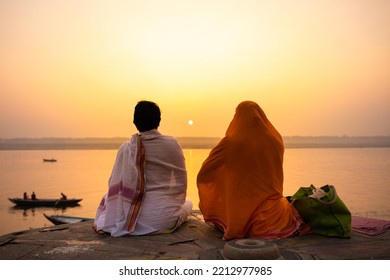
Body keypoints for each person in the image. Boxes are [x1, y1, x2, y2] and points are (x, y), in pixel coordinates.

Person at [197, 100, 303, 240]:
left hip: (241, 216)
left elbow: (206, 172)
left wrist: (224, 182)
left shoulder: (230, 143)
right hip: (274, 216)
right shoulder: (276, 141)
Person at [94, 100, 192, 237]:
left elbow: (113, 183)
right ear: (159, 121)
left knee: (108, 198)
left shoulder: (126, 148)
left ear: (135, 122)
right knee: (188, 202)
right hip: (162, 220)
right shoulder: (172, 144)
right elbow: (181, 183)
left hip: (128, 217)